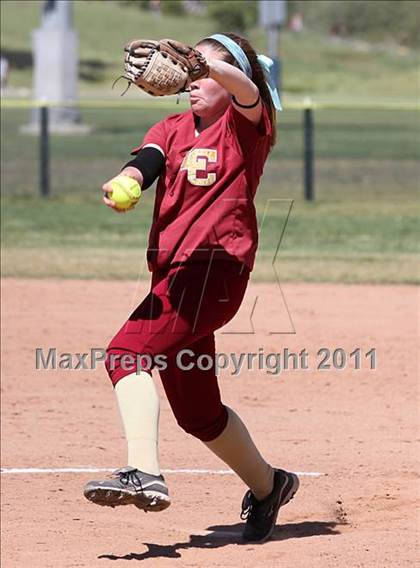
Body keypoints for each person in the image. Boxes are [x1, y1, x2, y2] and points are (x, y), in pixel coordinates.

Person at [83, 32, 299, 544]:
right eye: (189, 72)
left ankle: (142, 471)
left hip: (214, 271)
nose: (192, 81)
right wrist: (127, 181)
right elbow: (148, 159)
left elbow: (247, 89)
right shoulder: (173, 125)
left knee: (125, 353)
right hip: (174, 274)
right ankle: (271, 486)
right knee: (199, 415)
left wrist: (207, 64)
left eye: (205, 73)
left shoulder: (248, 127)